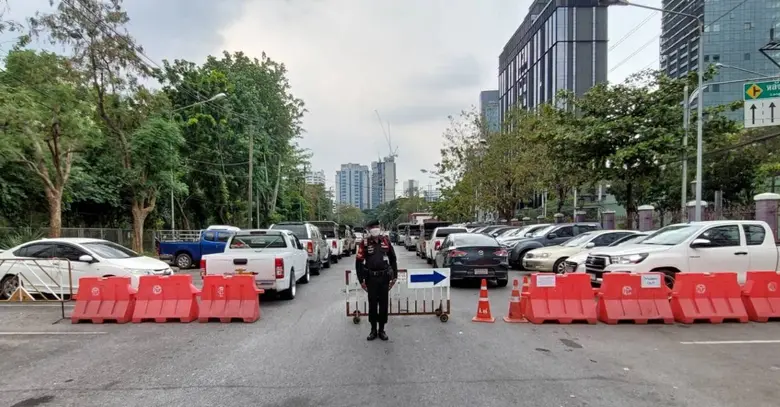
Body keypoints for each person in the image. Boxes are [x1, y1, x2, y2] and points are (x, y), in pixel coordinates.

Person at [355, 219, 398, 341]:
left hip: (384, 278)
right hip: (371, 278)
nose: (375, 229)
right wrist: (361, 279)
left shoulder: (386, 241)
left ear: (380, 228)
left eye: (377, 227)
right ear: (369, 230)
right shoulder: (364, 243)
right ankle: (373, 330)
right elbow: (359, 262)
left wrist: (394, 276)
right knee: (373, 304)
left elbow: (393, 259)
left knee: (384, 304)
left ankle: (382, 330)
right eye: (372, 227)